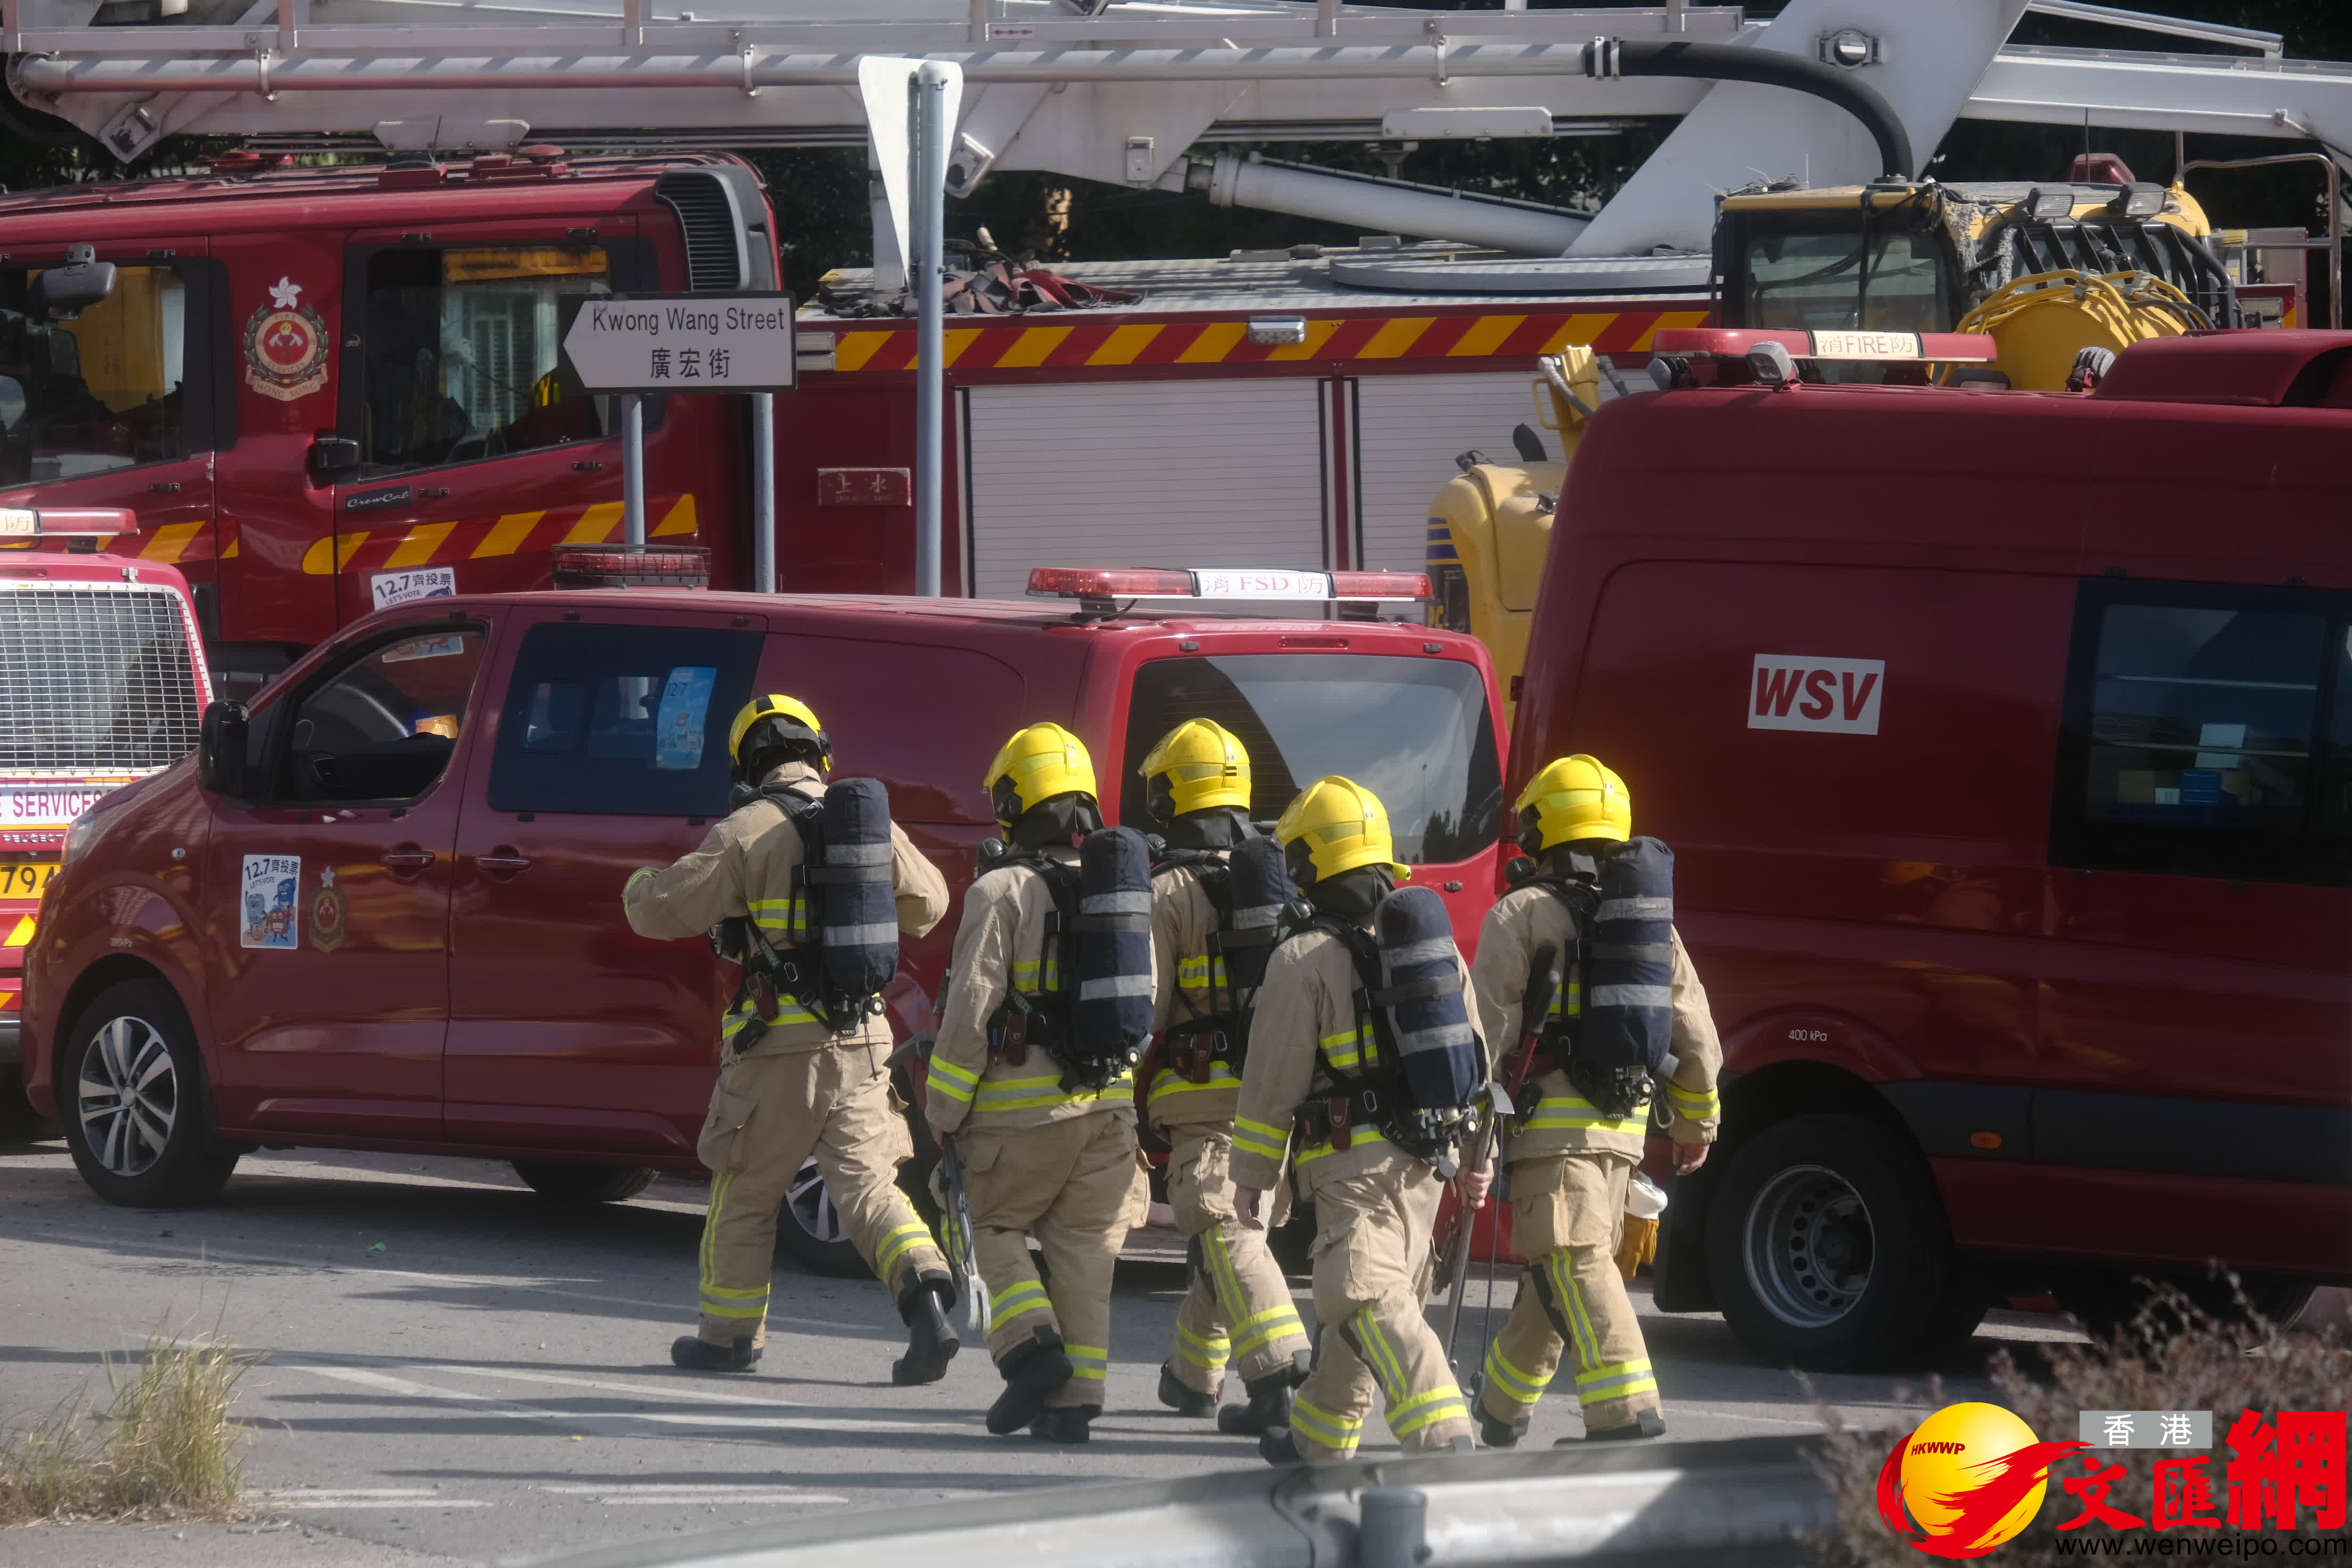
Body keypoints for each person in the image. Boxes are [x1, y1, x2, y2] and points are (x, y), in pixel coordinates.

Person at [623, 695, 957, 1384]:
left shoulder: (744, 830)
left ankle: (729, 1338)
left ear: (747, 763)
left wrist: (638, 884)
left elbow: (659, 913)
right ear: (818, 753)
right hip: (864, 1040)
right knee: (871, 1191)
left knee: (745, 1191)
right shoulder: (866, 823)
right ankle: (926, 1301)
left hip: (777, 1049)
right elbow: (931, 905)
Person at [1465, 754, 1722, 1446]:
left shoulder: (1520, 913)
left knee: (1572, 1264)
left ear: (1542, 828)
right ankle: (1500, 1406)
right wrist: (1695, 1121)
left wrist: (1469, 1142)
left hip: (1552, 1134)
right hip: (1623, 1131)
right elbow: (1695, 1026)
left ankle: (1626, 1412)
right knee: (1562, 1268)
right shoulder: (1647, 923)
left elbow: (1484, 1038)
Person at [1229, 776, 1486, 1464]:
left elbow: (1271, 1083)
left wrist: (1253, 1177)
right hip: (1426, 1165)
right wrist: (1477, 1157)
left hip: (1351, 1166)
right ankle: (1316, 1438)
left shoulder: (1300, 958)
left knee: (1364, 1296)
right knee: (1365, 1299)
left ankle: (1443, 1435)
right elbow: (1474, 1056)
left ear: (1308, 863)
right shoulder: (1431, 949)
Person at [926, 722, 1153, 1444]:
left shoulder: (1001, 890)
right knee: (1084, 1254)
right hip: (1111, 1113)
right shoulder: (1121, 892)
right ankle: (1074, 1405)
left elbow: (971, 1010)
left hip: (1020, 1118)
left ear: (1012, 804)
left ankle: (1030, 1349)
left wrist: (943, 1107)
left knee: (979, 1221)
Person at [1136, 720, 1312, 1435]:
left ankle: (1280, 1368)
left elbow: (1145, 1010)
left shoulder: (1168, 891)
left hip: (1200, 1097)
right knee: (1229, 1232)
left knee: (1225, 1232)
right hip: (1278, 1095)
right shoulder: (1283, 881)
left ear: (1170, 795)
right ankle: (1191, 1376)